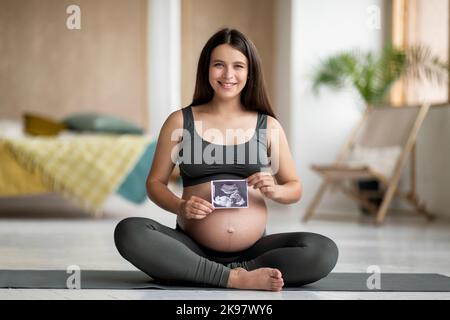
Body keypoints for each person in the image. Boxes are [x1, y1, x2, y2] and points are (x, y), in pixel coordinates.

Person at [114, 28, 338, 291]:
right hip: (192, 246)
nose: (228, 75)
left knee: (323, 250)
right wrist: (180, 206)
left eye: (238, 66)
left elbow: (294, 187)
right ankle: (235, 278)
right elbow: (154, 184)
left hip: (254, 252)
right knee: (129, 231)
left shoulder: (268, 126)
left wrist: (275, 190)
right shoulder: (180, 121)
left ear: (249, 72)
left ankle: (200, 272)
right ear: (206, 69)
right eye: (219, 65)